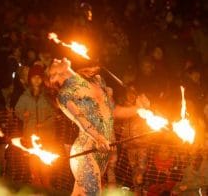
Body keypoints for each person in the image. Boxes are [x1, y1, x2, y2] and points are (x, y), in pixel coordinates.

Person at [47, 58, 149, 195]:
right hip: (86, 151)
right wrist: (99, 137)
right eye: (53, 64)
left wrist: (138, 108)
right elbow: (81, 121)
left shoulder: (96, 80)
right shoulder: (65, 94)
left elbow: (112, 111)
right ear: (53, 77)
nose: (56, 59)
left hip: (103, 152)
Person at [15, 64, 56, 188]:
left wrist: (44, 124)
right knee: (33, 166)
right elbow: (17, 110)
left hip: (47, 137)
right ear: (29, 79)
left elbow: (54, 115)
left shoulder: (48, 96)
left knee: (46, 167)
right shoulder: (25, 96)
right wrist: (24, 114)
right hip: (30, 136)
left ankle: (46, 188)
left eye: (39, 77)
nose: (36, 80)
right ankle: (36, 188)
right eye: (34, 77)